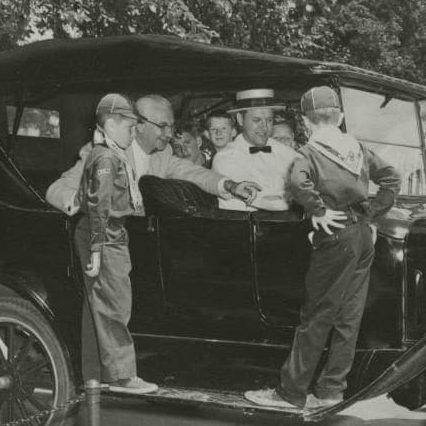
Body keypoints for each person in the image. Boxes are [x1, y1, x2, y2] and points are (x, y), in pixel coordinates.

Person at [244, 86, 401, 412]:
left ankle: (291, 393)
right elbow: (392, 178)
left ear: (305, 122)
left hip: (335, 236)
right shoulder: (357, 148)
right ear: (340, 117)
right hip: (362, 236)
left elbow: (298, 183)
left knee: (316, 316)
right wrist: (372, 212)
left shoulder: (309, 154)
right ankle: (331, 389)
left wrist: (318, 210)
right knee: (349, 317)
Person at [46, 94, 259, 215]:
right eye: (162, 126)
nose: (169, 134)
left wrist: (230, 185)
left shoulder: (162, 154)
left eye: (171, 126)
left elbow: (195, 173)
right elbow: (56, 189)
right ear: (138, 125)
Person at [73, 94, 154, 394]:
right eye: (130, 126)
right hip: (104, 234)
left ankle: (94, 373)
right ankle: (122, 376)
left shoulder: (109, 153)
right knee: (115, 306)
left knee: (96, 306)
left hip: (107, 233)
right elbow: (99, 205)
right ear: (110, 124)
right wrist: (97, 248)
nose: (133, 133)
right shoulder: (106, 157)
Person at [212, 89, 298, 211]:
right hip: (242, 227)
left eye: (269, 120)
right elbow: (264, 201)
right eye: (256, 120)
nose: (264, 127)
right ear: (240, 120)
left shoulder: (285, 151)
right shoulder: (225, 158)